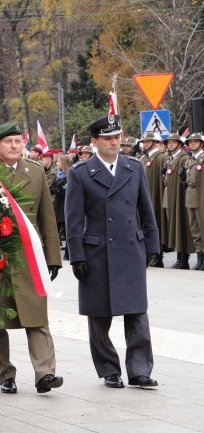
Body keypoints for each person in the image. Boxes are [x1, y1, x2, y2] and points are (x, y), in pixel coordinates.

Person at [65, 114, 159, 389]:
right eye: (107, 138)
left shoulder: (134, 167)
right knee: (99, 315)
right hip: (97, 250)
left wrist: (151, 244)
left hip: (131, 247)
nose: (114, 143)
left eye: (117, 137)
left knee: (137, 313)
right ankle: (109, 369)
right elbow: (73, 218)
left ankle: (140, 369)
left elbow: (146, 208)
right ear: (94, 142)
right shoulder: (81, 173)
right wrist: (77, 255)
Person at [0, 123, 63, 396]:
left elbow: (46, 217)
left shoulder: (36, 172)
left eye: (18, 140)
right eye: (9, 141)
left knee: (37, 316)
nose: (15, 146)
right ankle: (6, 374)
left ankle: (46, 373)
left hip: (29, 257)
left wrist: (53, 257)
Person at [162, 132, 194, 269]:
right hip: (170, 196)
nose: (170, 144)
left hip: (180, 197)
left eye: (173, 142)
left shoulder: (182, 158)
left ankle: (184, 258)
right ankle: (180, 257)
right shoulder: (171, 158)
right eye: (169, 142)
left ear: (179, 144)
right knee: (174, 226)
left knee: (182, 226)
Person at [139, 132, 168, 267]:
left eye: (147, 141)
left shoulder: (160, 157)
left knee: (157, 224)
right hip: (146, 196)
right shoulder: (145, 158)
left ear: (155, 142)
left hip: (156, 195)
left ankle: (158, 255)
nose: (145, 143)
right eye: (143, 141)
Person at [182, 133, 204, 270]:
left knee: (202, 227)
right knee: (195, 228)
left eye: (196, 141)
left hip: (201, 195)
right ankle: (199, 257)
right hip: (191, 195)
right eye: (191, 142)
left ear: (201, 144)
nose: (193, 144)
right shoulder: (190, 160)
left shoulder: (202, 159)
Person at [51, 154, 70, 260]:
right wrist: (58, 190)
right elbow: (51, 189)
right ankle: (52, 255)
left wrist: (61, 190)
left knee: (67, 232)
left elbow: (67, 190)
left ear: (63, 162)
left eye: (58, 161)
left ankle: (68, 253)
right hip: (58, 207)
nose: (56, 163)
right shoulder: (57, 176)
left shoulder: (69, 175)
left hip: (65, 206)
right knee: (54, 231)